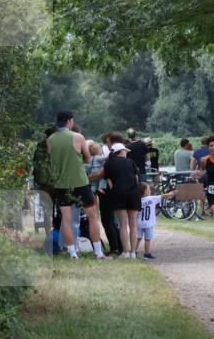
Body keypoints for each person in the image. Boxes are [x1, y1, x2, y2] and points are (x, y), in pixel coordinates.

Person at [47, 110, 107, 260]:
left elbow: (51, 161)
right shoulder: (77, 137)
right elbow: (87, 158)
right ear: (69, 121)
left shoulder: (50, 140)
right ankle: (98, 253)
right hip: (80, 182)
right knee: (92, 216)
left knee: (66, 220)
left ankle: (72, 253)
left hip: (61, 184)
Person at [103, 142, 143, 259]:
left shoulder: (108, 163)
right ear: (121, 151)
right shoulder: (131, 162)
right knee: (133, 225)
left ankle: (125, 252)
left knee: (123, 224)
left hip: (118, 194)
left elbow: (109, 183)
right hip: (133, 194)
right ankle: (133, 253)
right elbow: (137, 179)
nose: (126, 153)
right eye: (125, 151)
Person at [136, 182, 174, 260]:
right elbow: (163, 196)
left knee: (138, 238)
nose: (150, 190)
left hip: (139, 223)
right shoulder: (152, 199)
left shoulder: (137, 201)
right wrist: (171, 193)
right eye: (149, 189)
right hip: (149, 223)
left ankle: (133, 251)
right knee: (147, 239)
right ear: (145, 191)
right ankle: (147, 254)